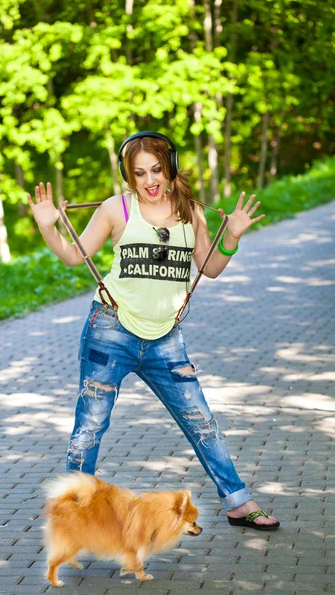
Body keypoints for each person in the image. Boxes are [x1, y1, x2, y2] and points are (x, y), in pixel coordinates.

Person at [27, 132, 279, 530]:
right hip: (110, 332)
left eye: (157, 170)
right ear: (129, 177)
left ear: (170, 167)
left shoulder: (190, 211)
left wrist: (230, 235)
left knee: (201, 420)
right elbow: (75, 256)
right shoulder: (116, 209)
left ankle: (238, 502)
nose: (149, 180)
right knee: (90, 426)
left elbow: (209, 268)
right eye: (139, 173)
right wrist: (47, 228)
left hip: (166, 338)